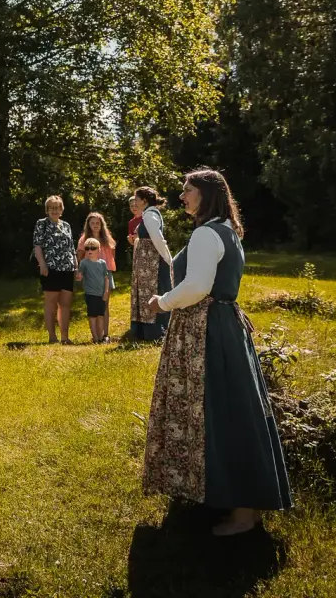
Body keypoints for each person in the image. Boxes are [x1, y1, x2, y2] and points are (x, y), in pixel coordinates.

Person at [142, 169, 292, 535]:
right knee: (230, 408)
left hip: (208, 330)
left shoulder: (209, 233)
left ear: (207, 194)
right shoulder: (226, 229)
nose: (182, 196)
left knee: (224, 411)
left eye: (187, 190)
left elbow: (196, 286)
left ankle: (243, 513)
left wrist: (160, 302)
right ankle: (230, 499)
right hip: (219, 327)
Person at [131, 186, 174, 341]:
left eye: (136, 199)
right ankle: (145, 331)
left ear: (144, 200)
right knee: (146, 292)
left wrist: (168, 259)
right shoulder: (148, 214)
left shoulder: (150, 215)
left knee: (154, 290)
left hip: (152, 263)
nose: (134, 203)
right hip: (147, 262)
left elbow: (157, 238)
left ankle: (156, 331)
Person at [33, 196, 77, 345]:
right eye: (51, 208)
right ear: (47, 210)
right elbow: (37, 246)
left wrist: (76, 267)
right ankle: (52, 336)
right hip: (50, 268)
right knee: (51, 303)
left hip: (67, 268)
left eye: (57, 207)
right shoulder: (42, 224)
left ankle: (65, 337)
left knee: (65, 303)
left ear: (62, 210)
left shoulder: (66, 225)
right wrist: (42, 264)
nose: (54, 210)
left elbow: (71, 248)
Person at [78, 238, 113, 343]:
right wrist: (79, 276)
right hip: (90, 294)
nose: (90, 250)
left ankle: (101, 336)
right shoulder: (84, 263)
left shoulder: (102, 263)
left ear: (99, 250)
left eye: (93, 248)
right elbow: (80, 274)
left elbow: (106, 278)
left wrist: (106, 292)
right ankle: (95, 337)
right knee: (92, 316)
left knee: (101, 316)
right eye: (87, 248)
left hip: (101, 294)